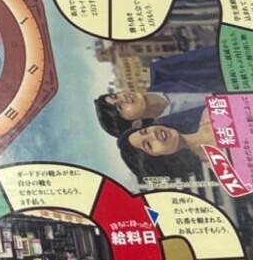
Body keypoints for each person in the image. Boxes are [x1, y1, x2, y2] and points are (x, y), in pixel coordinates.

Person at [94, 43, 227, 137]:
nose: (123, 98)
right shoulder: (173, 134)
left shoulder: (163, 71)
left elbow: (216, 52)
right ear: (136, 124)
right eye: (119, 107)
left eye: (115, 95)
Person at [117, 119, 216, 180]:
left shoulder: (208, 115)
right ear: (158, 161)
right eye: (148, 144)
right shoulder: (218, 168)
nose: (153, 134)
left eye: (145, 131)